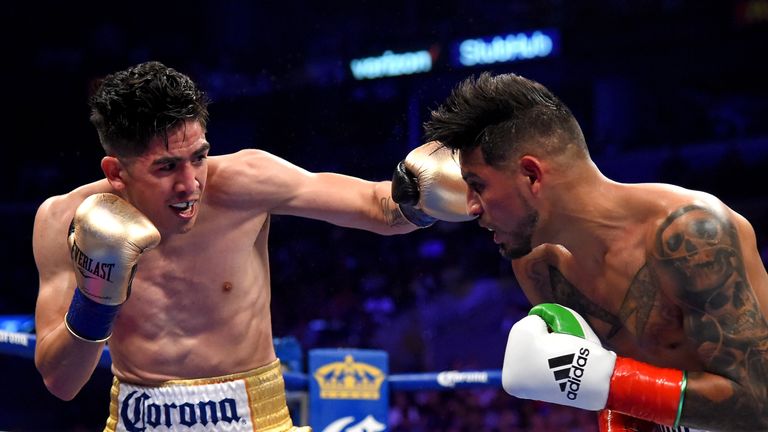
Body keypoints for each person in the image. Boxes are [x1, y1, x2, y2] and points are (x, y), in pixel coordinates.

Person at [32, 60, 473, 431]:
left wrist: (427, 194)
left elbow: (379, 209)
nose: (190, 184)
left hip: (255, 418)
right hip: (136, 418)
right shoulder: (63, 219)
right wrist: (96, 298)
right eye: (166, 167)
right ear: (115, 171)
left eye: (199, 157)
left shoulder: (245, 182)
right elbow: (61, 382)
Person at [415, 72, 768, 431]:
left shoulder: (692, 235)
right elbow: (622, 396)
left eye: (477, 186)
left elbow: (760, 403)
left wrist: (608, 380)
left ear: (532, 176)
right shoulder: (536, 263)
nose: (471, 208)